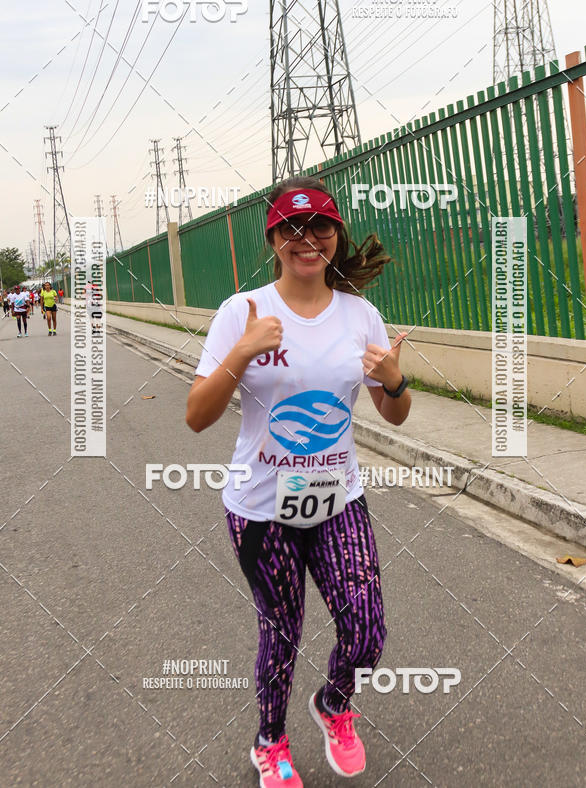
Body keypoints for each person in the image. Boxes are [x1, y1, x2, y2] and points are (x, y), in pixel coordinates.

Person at [186, 176, 411, 787]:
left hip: (340, 501)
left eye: (320, 226)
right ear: (274, 238)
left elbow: (394, 411)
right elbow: (197, 416)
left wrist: (394, 380)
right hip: (261, 509)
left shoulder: (361, 315)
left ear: (335, 234)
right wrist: (243, 352)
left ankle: (334, 705)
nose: (306, 239)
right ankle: (270, 740)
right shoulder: (244, 311)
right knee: (281, 631)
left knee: (366, 631)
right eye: (291, 227)